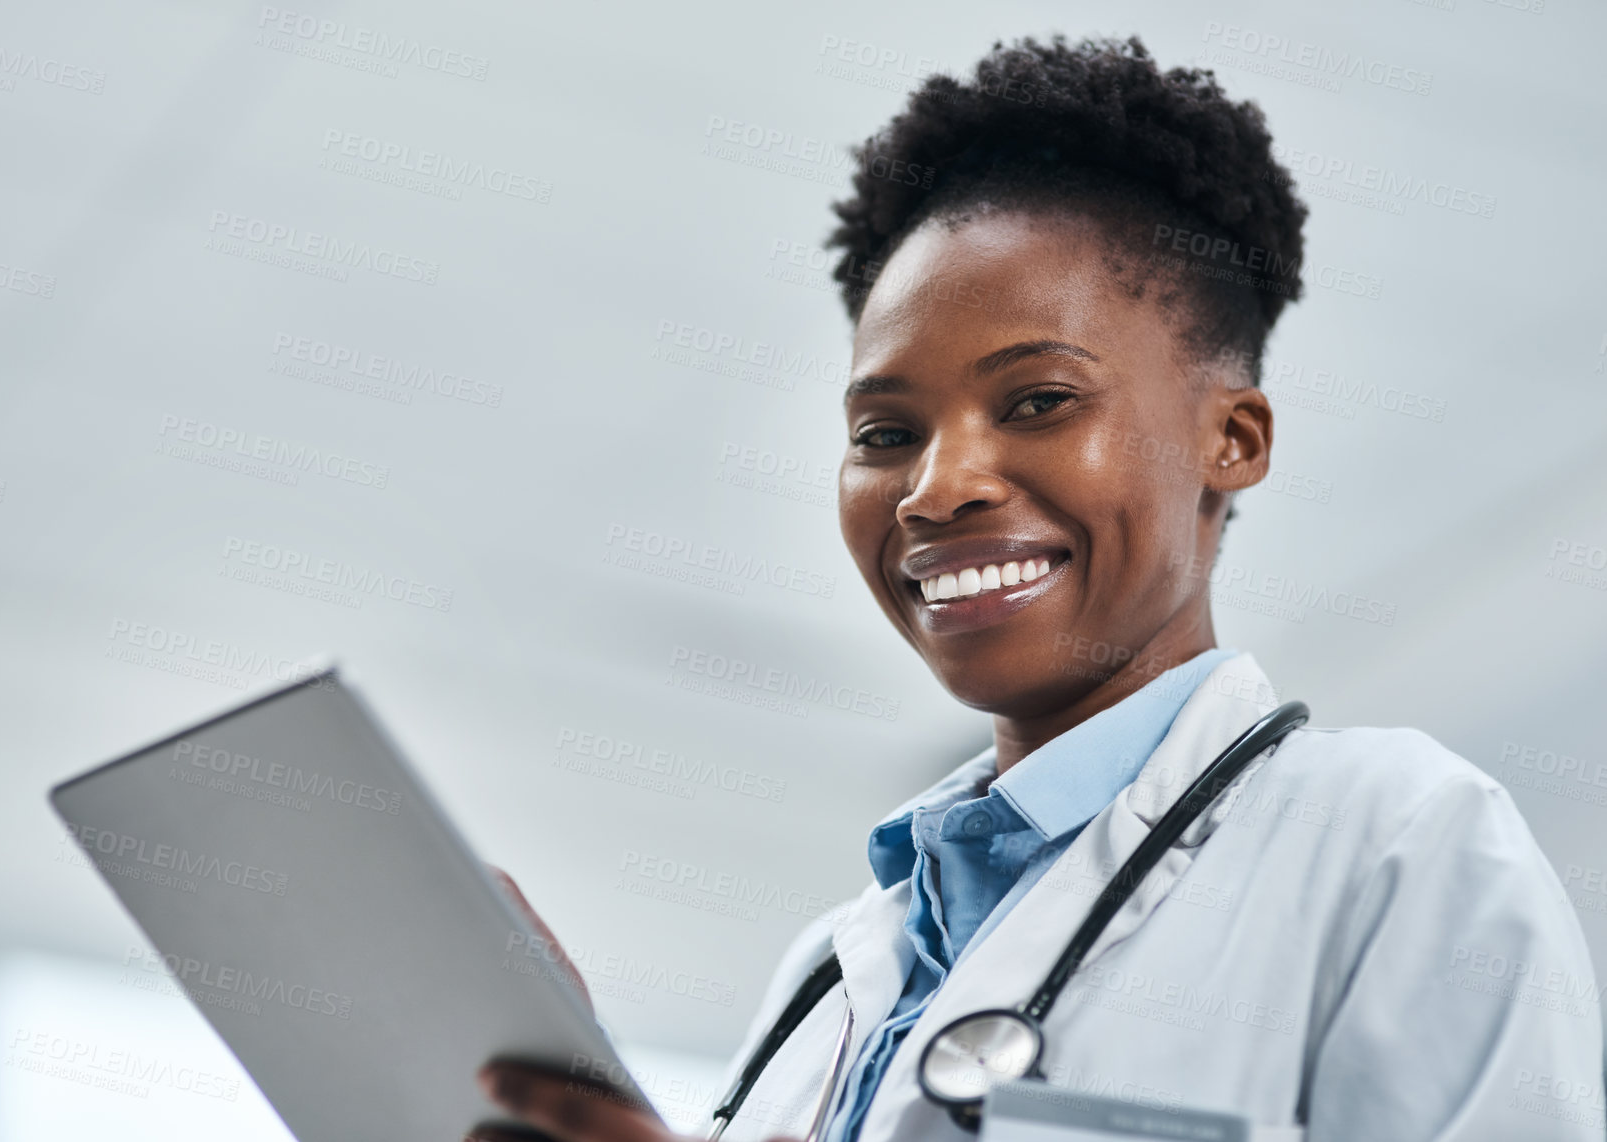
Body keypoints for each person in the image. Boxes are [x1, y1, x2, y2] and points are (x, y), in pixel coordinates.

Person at [472, 35, 1603, 1142]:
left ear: (1233, 438)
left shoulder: (1396, 843)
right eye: (884, 431)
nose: (933, 486)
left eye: (1036, 401)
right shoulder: (825, 980)